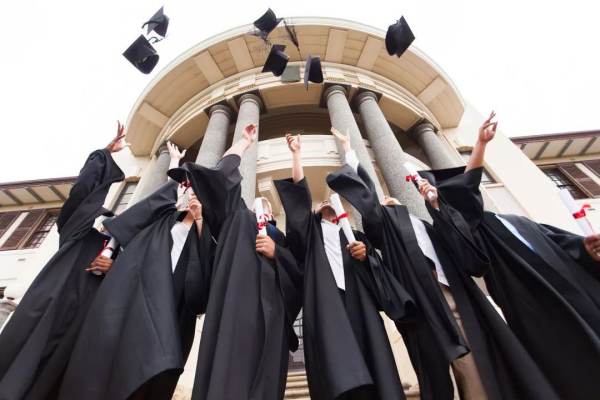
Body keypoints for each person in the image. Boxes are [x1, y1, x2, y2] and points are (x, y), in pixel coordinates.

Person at [422, 111, 600, 399]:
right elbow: (469, 257)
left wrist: (586, 249)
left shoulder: (515, 220)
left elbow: (563, 244)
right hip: (535, 308)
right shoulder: (474, 233)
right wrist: (436, 205)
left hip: (575, 294)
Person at [56, 141, 215, 400]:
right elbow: (139, 254)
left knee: (149, 382)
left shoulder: (209, 233)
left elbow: (203, 278)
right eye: (187, 187)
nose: (190, 192)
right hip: (135, 307)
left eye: (194, 187)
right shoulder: (162, 223)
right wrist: (115, 267)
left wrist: (198, 219)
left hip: (172, 313)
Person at [274, 133, 415, 400]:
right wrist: (296, 155)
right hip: (326, 307)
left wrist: (365, 257)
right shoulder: (311, 236)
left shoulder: (355, 237)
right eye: (321, 202)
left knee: (374, 364)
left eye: (331, 200)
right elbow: (299, 201)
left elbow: (378, 271)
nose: (327, 201)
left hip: (359, 304)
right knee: (336, 372)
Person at [0, 123, 127, 400]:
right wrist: (103, 155)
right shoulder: (78, 234)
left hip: (81, 328)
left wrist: (115, 268)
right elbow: (82, 193)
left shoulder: (126, 257)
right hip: (48, 310)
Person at [176, 124, 302, 400]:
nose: (261, 206)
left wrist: (277, 253)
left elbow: (300, 272)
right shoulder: (237, 218)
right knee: (229, 377)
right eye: (257, 202)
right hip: (234, 307)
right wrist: (244, 143)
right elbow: (223, 177)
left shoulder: (280, 239)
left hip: (272, 312)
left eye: (266, 206)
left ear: (272, 215)